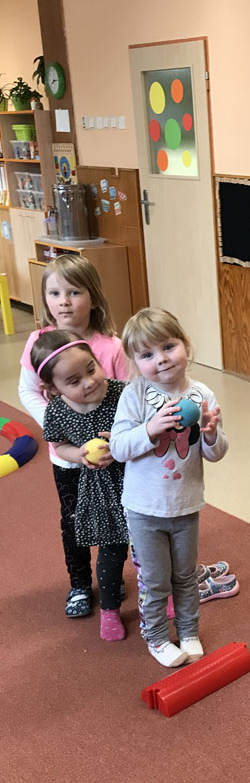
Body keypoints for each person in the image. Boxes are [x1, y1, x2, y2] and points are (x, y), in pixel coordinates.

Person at [110, 308, 228, 668]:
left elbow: (216, 454)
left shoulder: (202, 394)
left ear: (185, 345)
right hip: (144, 509)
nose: (160, 359)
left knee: (185, 575)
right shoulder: (134, 394)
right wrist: (150, 428)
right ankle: (158, 637)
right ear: (135, 362)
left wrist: (211, 434)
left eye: (168, 347)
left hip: (186, 505)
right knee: (155, 580)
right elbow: (118, 447)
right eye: (147, 354)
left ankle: (189, 631)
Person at [18, 254, 127, 618]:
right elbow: (27, 390)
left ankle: (112, 577)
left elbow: (128, 397)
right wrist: (60, 424)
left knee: (117, 517)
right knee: (73, 519)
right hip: (66, 458)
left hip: (111, 458)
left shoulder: (110, 347)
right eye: (54, 293)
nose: (63, 301)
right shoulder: (38, 341)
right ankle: (80, 584)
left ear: (93, 298)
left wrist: (119, 438)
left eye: (74, 292)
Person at [31, 330, 129, 641]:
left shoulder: (123, 393)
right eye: (74, 381)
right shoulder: (57, 411)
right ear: (53, 389)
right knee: (111, 550)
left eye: (91, 368)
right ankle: (110, 611)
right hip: (100, 489)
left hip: (137, 480)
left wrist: (123, 443)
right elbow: (59, 445)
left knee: (151, 546)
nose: (89, 382)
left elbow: (145, 430)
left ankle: (160, 595)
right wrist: (80, 455)